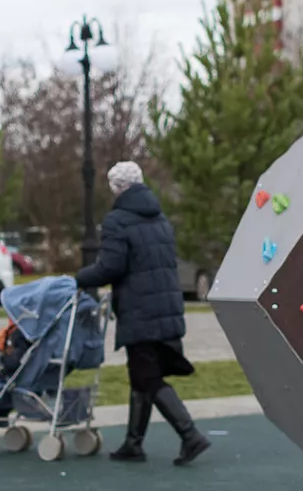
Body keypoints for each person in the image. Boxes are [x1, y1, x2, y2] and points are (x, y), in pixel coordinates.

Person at [75, 161, 210, 465]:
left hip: (140, 309)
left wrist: (78, 278)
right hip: (166, 306)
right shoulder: (160, 218)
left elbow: (110, 267)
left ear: (117, 187)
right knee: (141, 376)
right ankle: (133, 443)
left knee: (148, 378)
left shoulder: (117, 221)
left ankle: (191, 436)